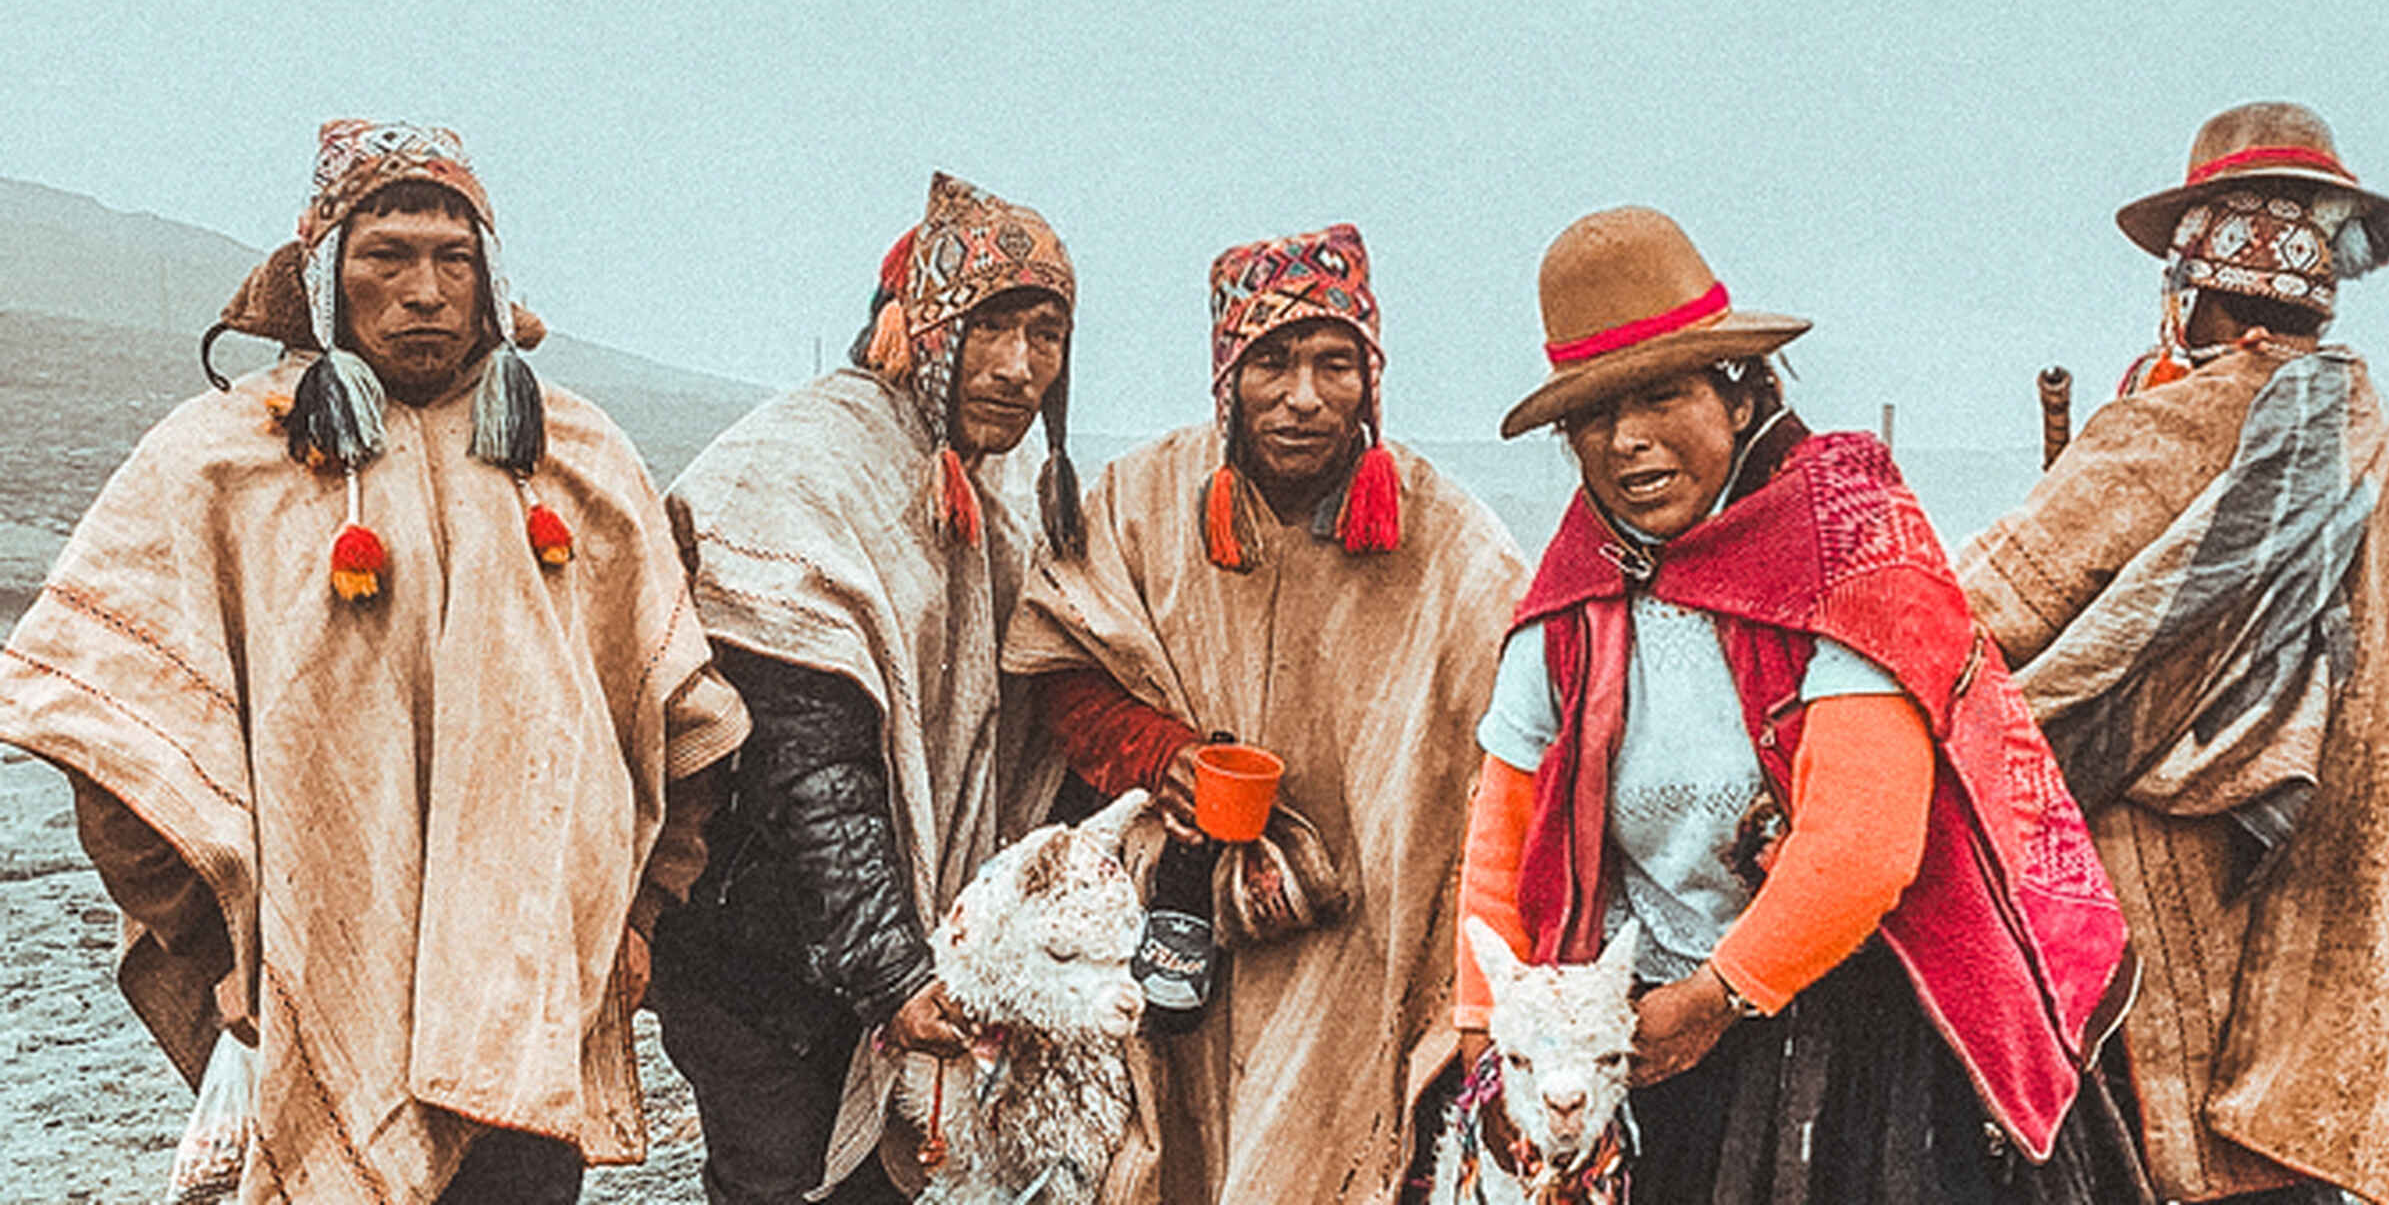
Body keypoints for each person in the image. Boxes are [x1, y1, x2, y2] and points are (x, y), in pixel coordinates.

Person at [0, 119, 749, 1203]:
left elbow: (678, 713)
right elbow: (112, 733)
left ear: (492, 281)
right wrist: (224, 951)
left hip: (533, 982)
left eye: (456, 260)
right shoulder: (220, 464)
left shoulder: (573, 460)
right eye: (385, 257)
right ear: (322, 275)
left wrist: (640, 914)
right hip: (314, 984)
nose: (426, 291)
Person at [1455, 206, 2142, 1204]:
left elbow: (1860, 843)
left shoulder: (1852, 549)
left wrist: (1717, 999)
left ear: (1739, 398)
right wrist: (1488, 1037)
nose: (1630, 442)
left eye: (1661, 396)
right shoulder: (1578, 594)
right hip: (1648, 1032)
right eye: (1596, 416)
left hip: (1865, 1031)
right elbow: (1500, 839)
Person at [1959, 102, 2389, 1204]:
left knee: (2169, 1160)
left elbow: (1968, 618)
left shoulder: (2156, 435)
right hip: (2336, 931)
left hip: (2168, 924)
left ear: (2189, 290)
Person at [1002, 223, 1528, 1204]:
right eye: (1271, 361)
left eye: (1335, 363)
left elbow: (1518, 768)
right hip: (1183, 935)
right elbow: (1058, 671)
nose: (1302, 396)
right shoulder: (1141, 502)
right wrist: (1162, 756)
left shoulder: (1456, 550)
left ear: (1371, 377)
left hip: (1370, 956)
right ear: (1225, 374)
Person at [650, 171, 1087, 1205]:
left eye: (1047, 336)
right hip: (756, 957)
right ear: (916, 329)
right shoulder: (800, 472)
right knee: (785, 1185)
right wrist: (893, 974)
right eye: (990, 328)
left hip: (880, 952)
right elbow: (809, 761)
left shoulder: (1000, 490)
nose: (1019, 367)